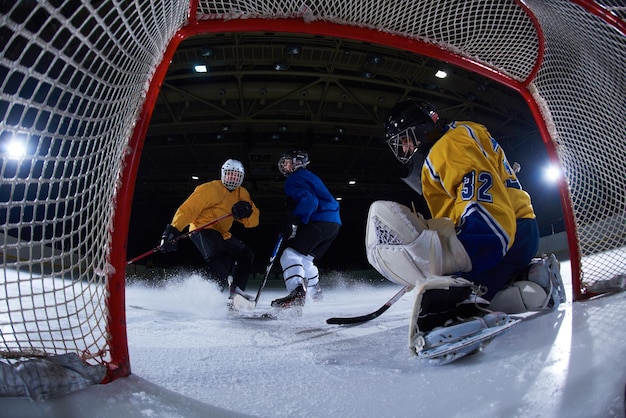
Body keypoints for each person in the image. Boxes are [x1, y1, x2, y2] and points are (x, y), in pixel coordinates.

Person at [159, 159, 260, 303]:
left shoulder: (241, 193)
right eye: (229, 174)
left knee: (246, 254)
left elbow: (253, 222)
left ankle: (236, 291)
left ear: (241, 178)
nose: (232, 178)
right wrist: (173, 230)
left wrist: (248, 213)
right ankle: (211, 297)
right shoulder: (209, 189)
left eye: (236, 176)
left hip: (223, 233)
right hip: (202, 229)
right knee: (220, 258)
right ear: (223, 174)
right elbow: (188, 209)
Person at [270, 150, 341, 309]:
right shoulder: (310, 176)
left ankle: (296, 294)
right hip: (334, 224)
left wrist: (294, 219)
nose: (284, 165)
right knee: (306, 259)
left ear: (298, 163)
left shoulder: (294, 179)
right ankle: (316, 293)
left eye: (288, 162)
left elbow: (310, 201)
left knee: (289, 255)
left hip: (319, 220)